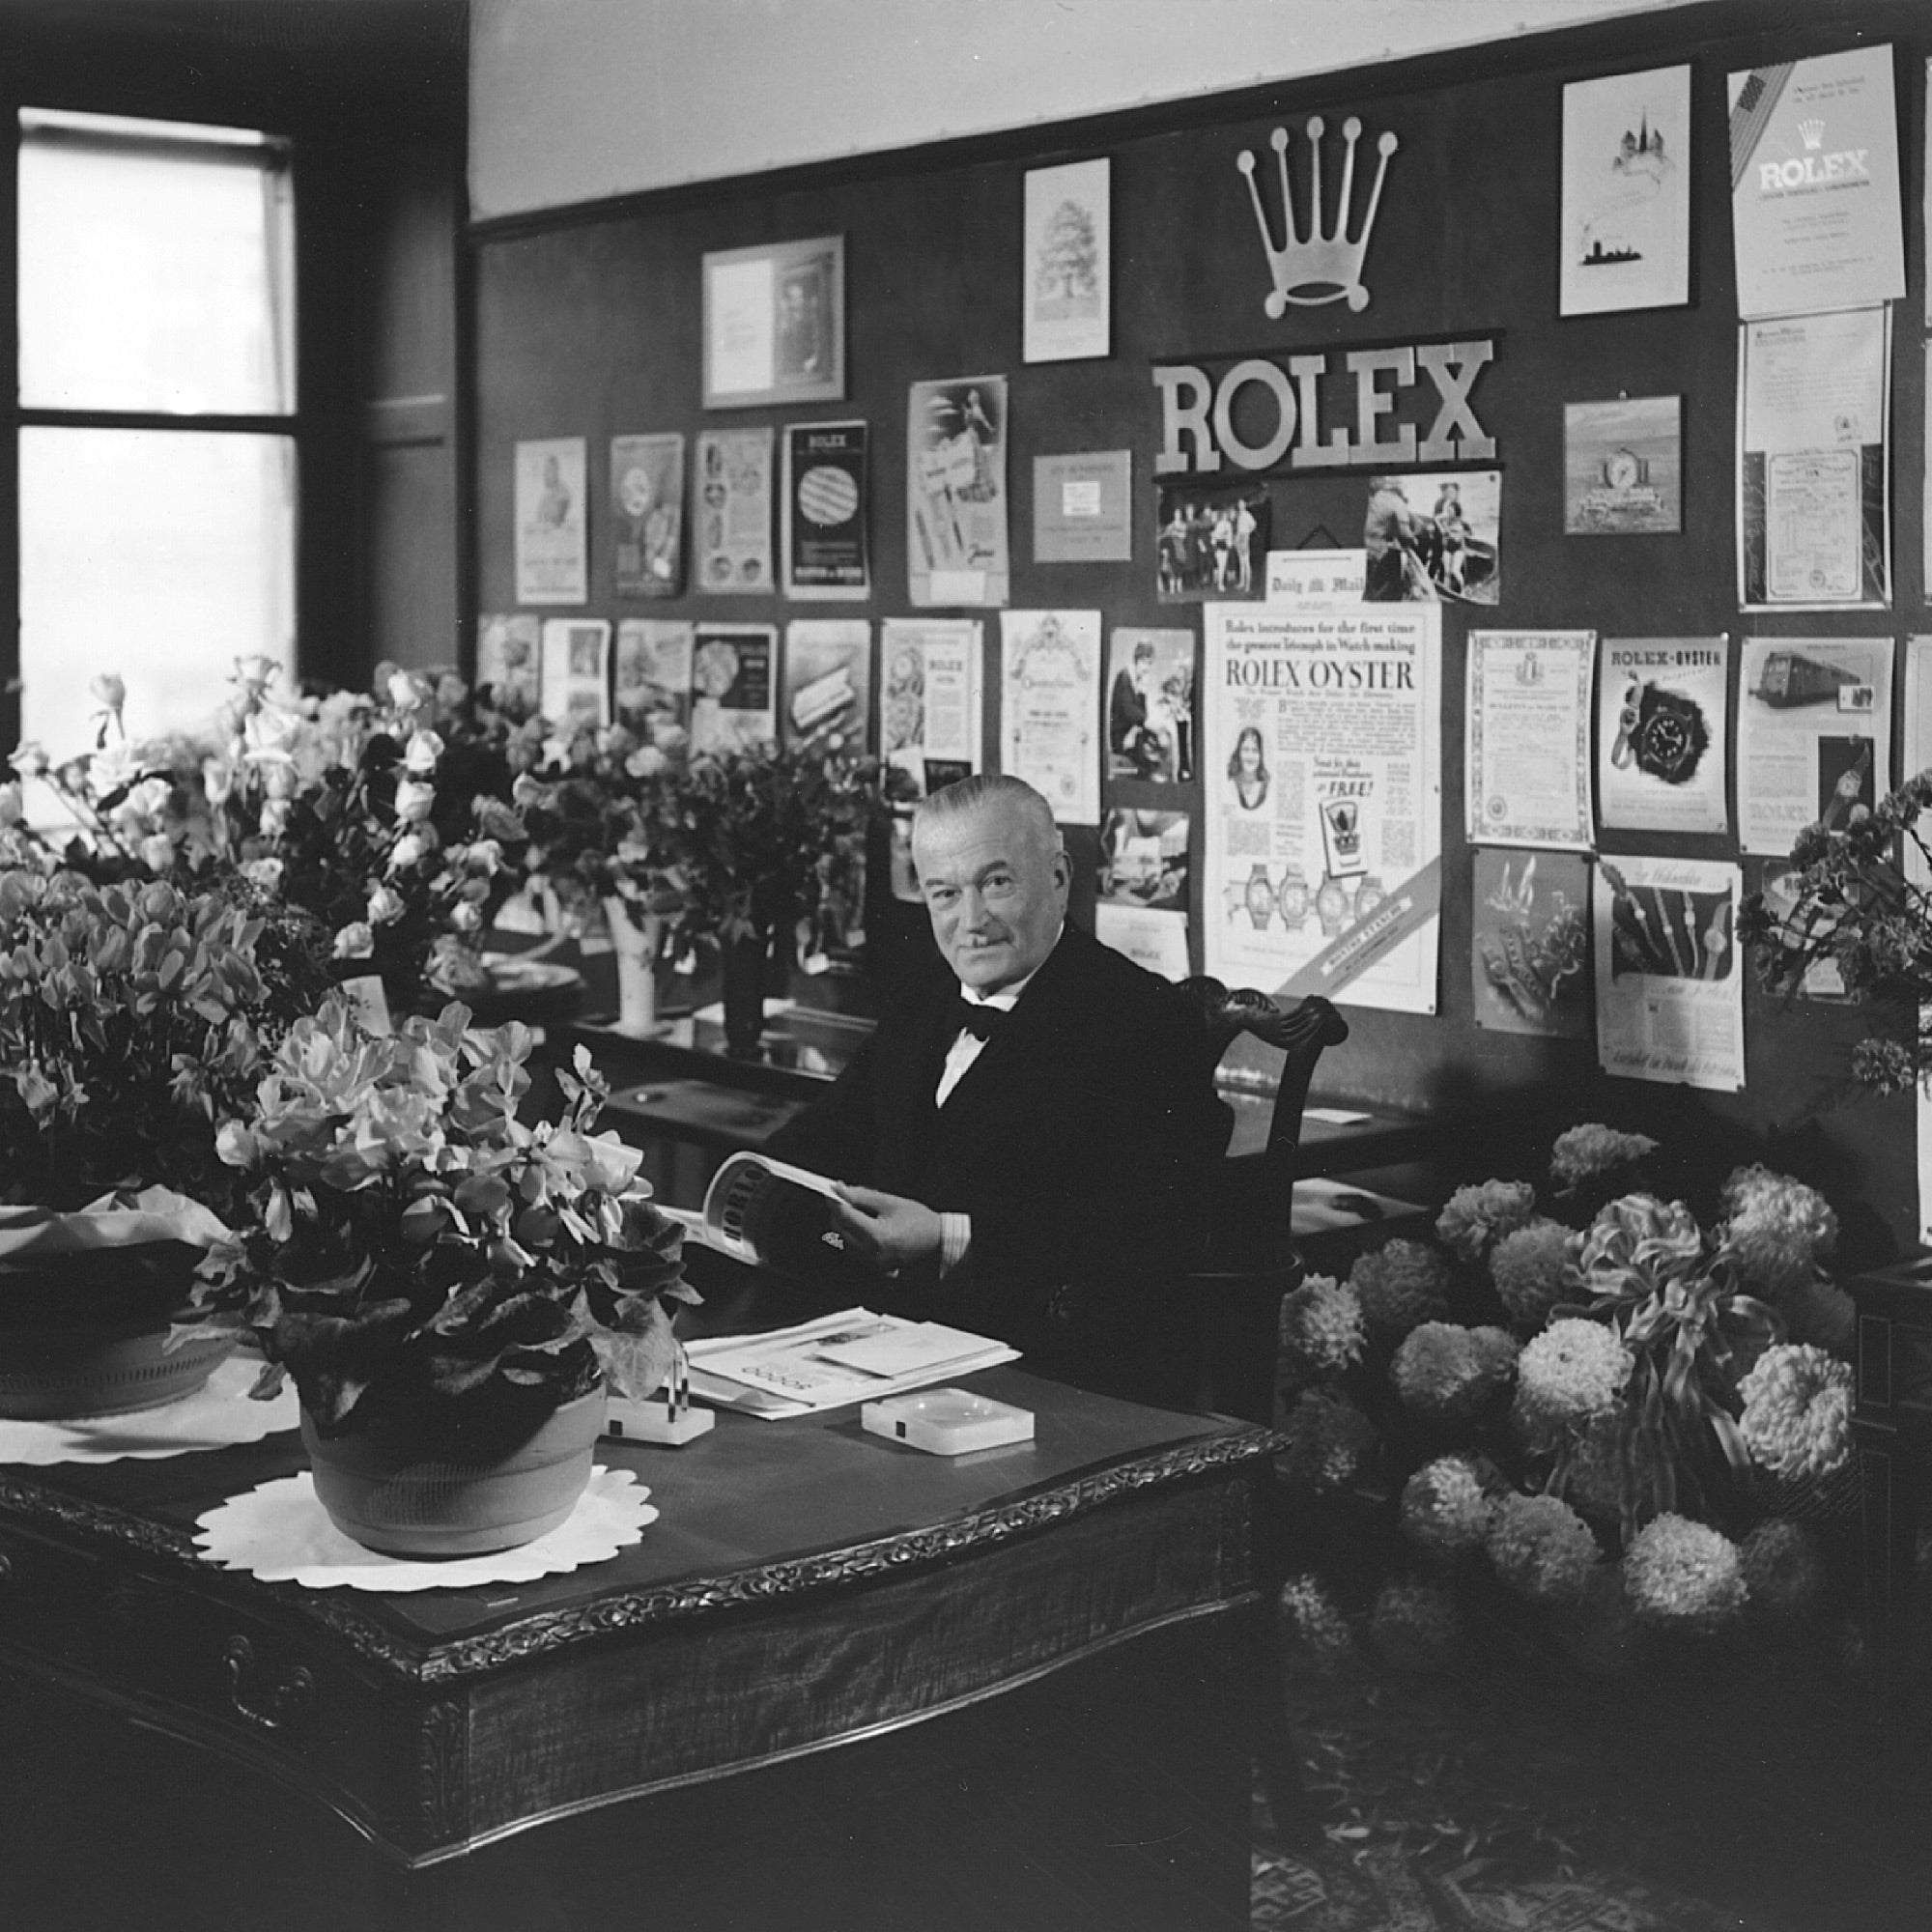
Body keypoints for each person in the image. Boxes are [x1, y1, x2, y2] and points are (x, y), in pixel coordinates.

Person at [765, 775, 1222, 1402]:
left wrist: (945, 1236)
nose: (971, 922)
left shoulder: (1147, 1021)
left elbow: (1141, 1236)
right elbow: (818, 1139)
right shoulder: (923, 996)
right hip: (886, 1351)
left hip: (1048, 1377)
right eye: (945, 894)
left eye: (996, 883)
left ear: (1058, 877)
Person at [1228, 724, 1269, 810]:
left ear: (1260, 755)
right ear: (1239, 752)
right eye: (1246, 749)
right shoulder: (1231, 784)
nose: (1250, 756)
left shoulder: (1266, 784)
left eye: (1255, 750)